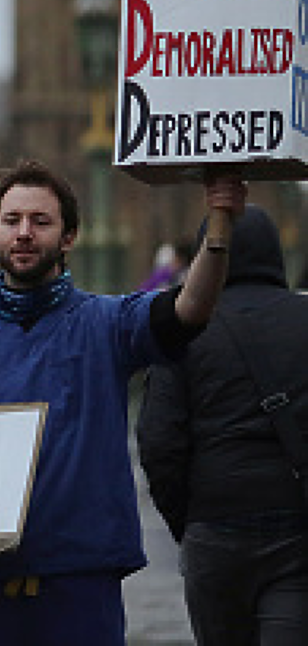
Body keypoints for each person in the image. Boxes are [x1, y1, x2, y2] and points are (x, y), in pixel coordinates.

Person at [0, 161, 239, 646]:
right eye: (12, 221)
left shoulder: (108, 323)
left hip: (78, 586)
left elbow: (188, 309)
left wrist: (219, 222)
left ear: (69, 236)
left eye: (41, 221)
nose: (24, 233)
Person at [138, 202, 308, 646]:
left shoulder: (185, 329)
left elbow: (159, 441)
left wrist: (190, 523)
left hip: (215, 533)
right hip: (296, 528)